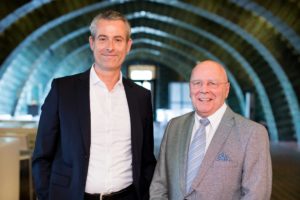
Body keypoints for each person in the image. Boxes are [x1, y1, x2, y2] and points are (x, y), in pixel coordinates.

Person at [32, 10, 156, 200]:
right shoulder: (63, 90)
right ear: (92, 42)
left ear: (128, 45)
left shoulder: (141, 97)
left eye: (118, 39)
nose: (110, 47)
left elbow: (146, 159)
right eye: (103, 38)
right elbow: (42, 155)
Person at [150, 60, 272, 200]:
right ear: (190, 88)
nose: (204, 90)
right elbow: (159, 184)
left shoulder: (252, 133)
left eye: (212, 83)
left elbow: (256, 195)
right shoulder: (174, 127)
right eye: (197, 83)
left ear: (226, 90)